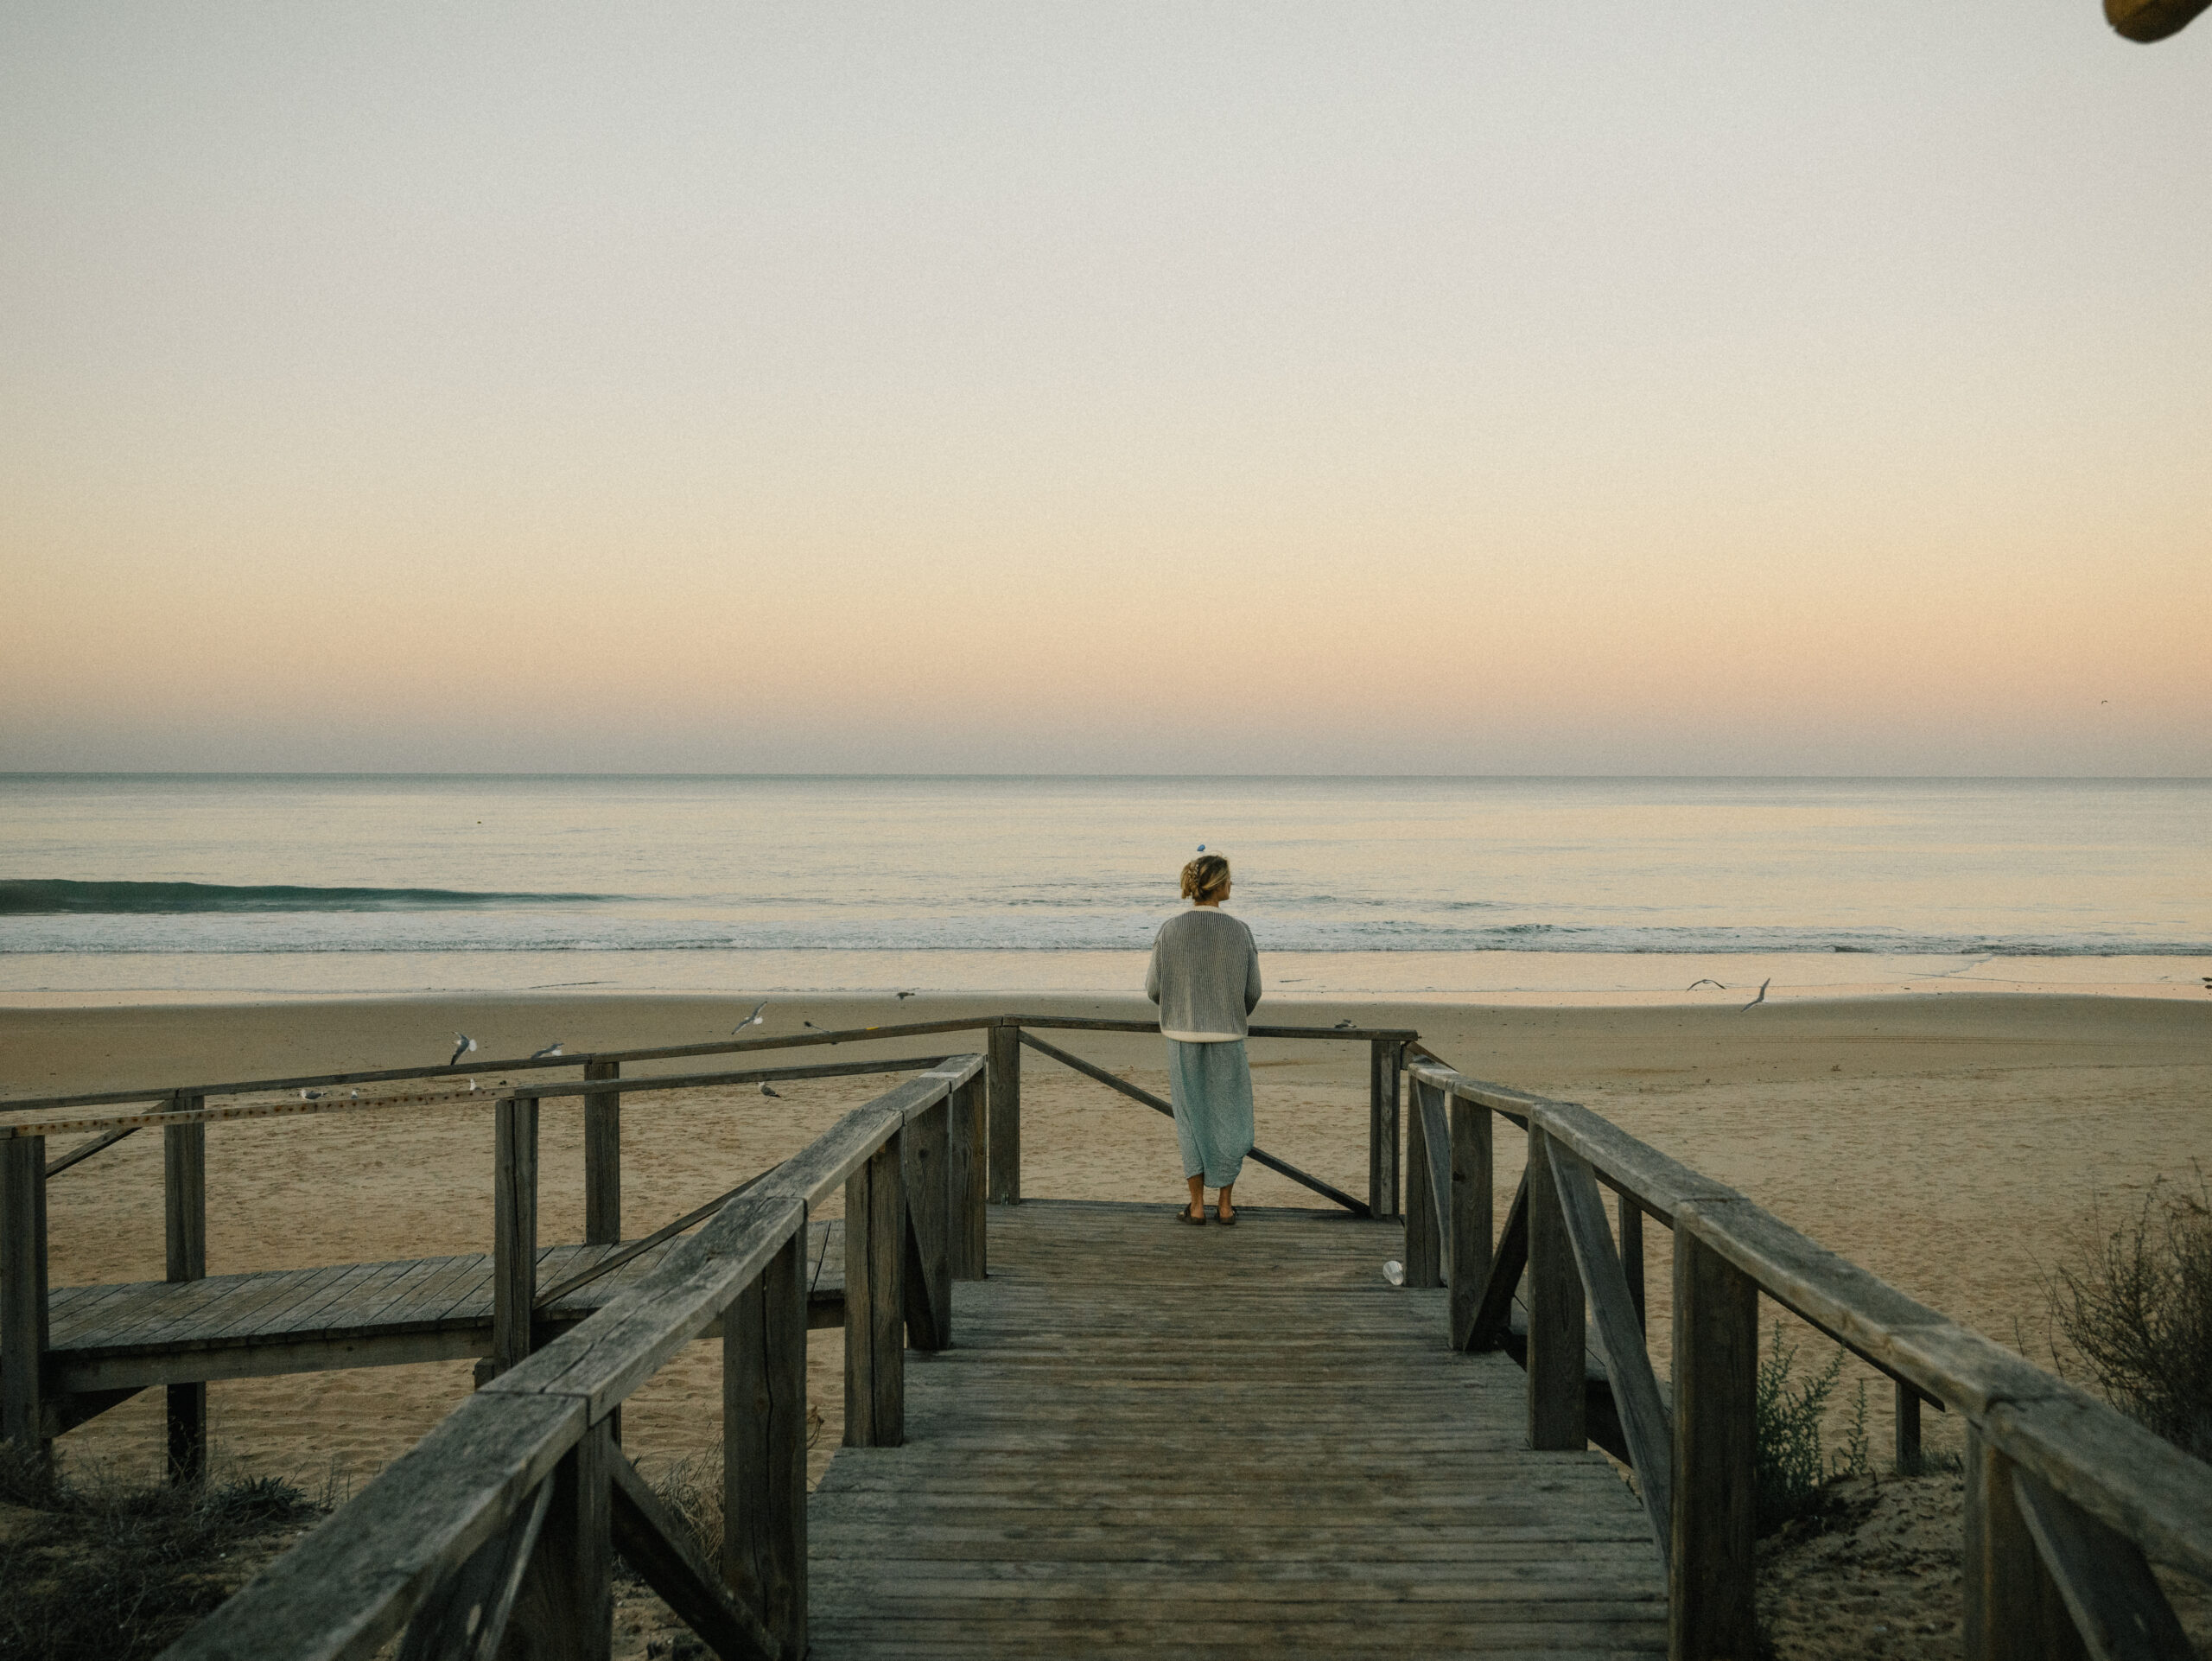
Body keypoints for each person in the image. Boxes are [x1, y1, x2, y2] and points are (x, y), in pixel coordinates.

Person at [1144, 851, 1262, 1225]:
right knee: (1231, 1119)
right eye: (1229, 879)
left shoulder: (1169, 929)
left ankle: (1196, 1206)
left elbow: (1153, 989)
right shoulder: (1240, 931)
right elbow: (1252, 992)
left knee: (1190, 1120)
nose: (1232, 884)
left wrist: (1182, 1004)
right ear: (1219, 885)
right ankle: (1224, 1205)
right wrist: (1228, 1009)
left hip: (1181, 1036)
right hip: (1227, 1036)